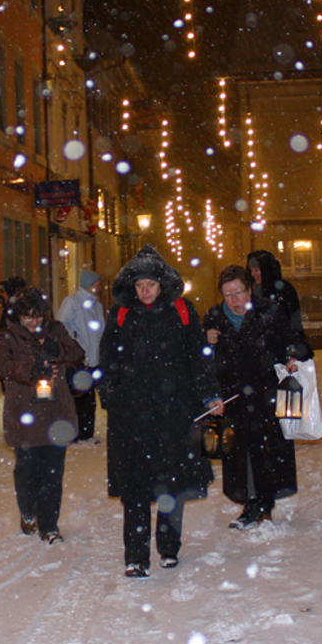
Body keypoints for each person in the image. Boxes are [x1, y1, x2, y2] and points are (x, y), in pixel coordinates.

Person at [99, 245, 222, 578]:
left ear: (161, 284)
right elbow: (108, 359)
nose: (145, 292)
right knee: (135, 488)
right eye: (139, 286)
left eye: (150, 285)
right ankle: (136, 557)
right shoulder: (121, 314)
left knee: (171, 484)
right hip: (132, 418)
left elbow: (198, 357)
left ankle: (169, 548)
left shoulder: (182, 311)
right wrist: (110, 394)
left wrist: (209, 393)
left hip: (173, 414)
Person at [202, 265, 313, 528]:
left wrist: (293, 355)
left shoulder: (270, 312)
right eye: (228, 295)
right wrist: (203, 339)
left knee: (267, 451)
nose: (235, 300)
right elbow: (200, 362)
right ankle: (249, 505)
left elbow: (293, 341)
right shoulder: (214, 317)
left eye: (239, 292)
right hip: (232, 399)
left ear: (249, 289)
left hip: (267, 395)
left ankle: (265, 504)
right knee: (239, 455)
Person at [0, 287, 85, 544]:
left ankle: (49, 525)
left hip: (57, 413)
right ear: (19, 316)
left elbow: (78, 353)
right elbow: (2, 366)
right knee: (27, 470)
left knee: (53, 474)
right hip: (25, 414)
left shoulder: (55, 330)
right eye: (28, 317)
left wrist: (59, 353)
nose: (33, 322)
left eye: (38, 316)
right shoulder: (8, 336)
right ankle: (28, 511)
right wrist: (31, 369)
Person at [55, 270, 103, 442]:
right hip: (77, 360)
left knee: (89, 399)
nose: (99, 288)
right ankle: (74, 433)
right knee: (77, 398)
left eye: (99, 285)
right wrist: (74, 342)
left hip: (93, 359)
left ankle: (86, 433)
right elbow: (60, 325)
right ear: (87, 285)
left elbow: (99, 332)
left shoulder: (97, 306)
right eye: (96, 285)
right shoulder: (72, 302)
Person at [247, 250, 304, 332]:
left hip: (279, 337)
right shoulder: (249, 289)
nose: (253, 274)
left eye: (256, 270)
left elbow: (293, 318)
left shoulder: (283, 290)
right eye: (251, 270)